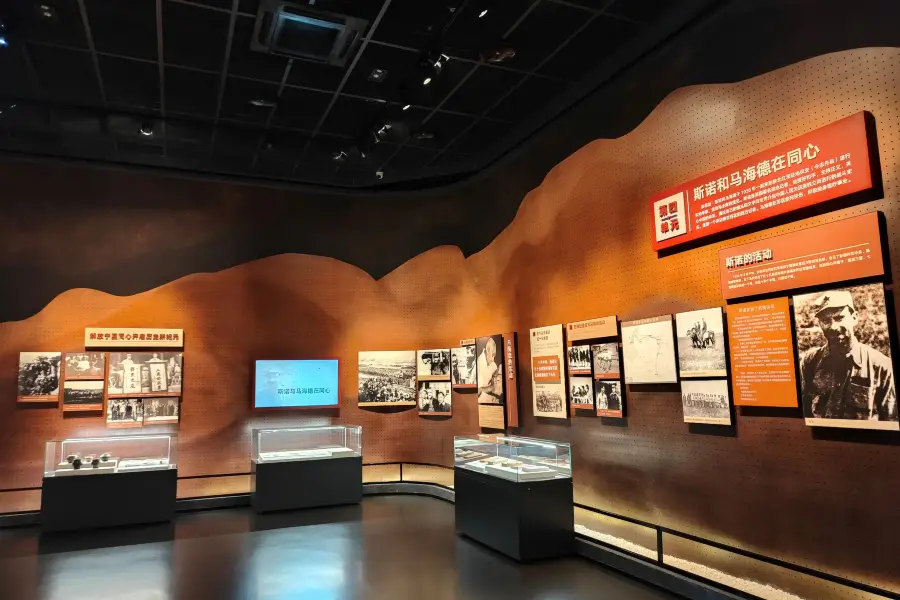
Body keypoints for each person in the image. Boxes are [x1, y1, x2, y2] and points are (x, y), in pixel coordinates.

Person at [799, 291, 896, 422]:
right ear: (820, 324)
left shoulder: (881, 366)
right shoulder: (810, 361)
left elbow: (891, 421)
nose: (833, 326)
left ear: (854, 317)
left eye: (840, 318)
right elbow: (805, 413)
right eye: (826, 320)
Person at [477, 337, 503, 404]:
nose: (493, 359)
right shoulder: (477, 364)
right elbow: (476, 392)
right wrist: (490, 388)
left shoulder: (493, 365)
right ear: (488, 350)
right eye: (493, 355)